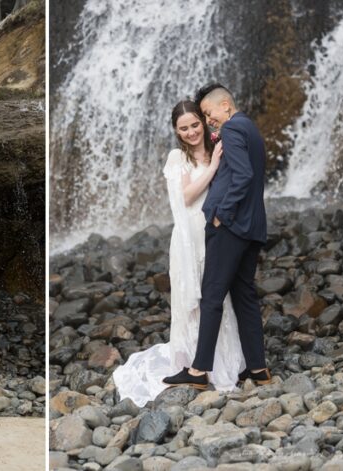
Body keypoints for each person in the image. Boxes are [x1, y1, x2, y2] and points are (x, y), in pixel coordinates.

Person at [113, 100, 245, 405]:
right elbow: (186, 197)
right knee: (193, 299)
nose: (191, 132)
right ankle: (194, 363)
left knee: (217, 297)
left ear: (203, 121)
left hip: (217, 233)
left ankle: (218, 362)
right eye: (183, 128)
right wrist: (212, 167)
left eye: (195, 125)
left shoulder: (218, 146)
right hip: (189, 236)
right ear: (176, 131)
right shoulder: (178, 157)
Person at [164, 84, 271, 389]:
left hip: (231, 228)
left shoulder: (233, 129)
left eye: (207, 115)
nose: (209, 121)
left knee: (211, 296)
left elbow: (244, 176)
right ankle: (258, 368)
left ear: (225, 105)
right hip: (252, 228)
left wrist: (222, 214)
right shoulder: (249, 127)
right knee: (244, 295)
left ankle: (198, 371)